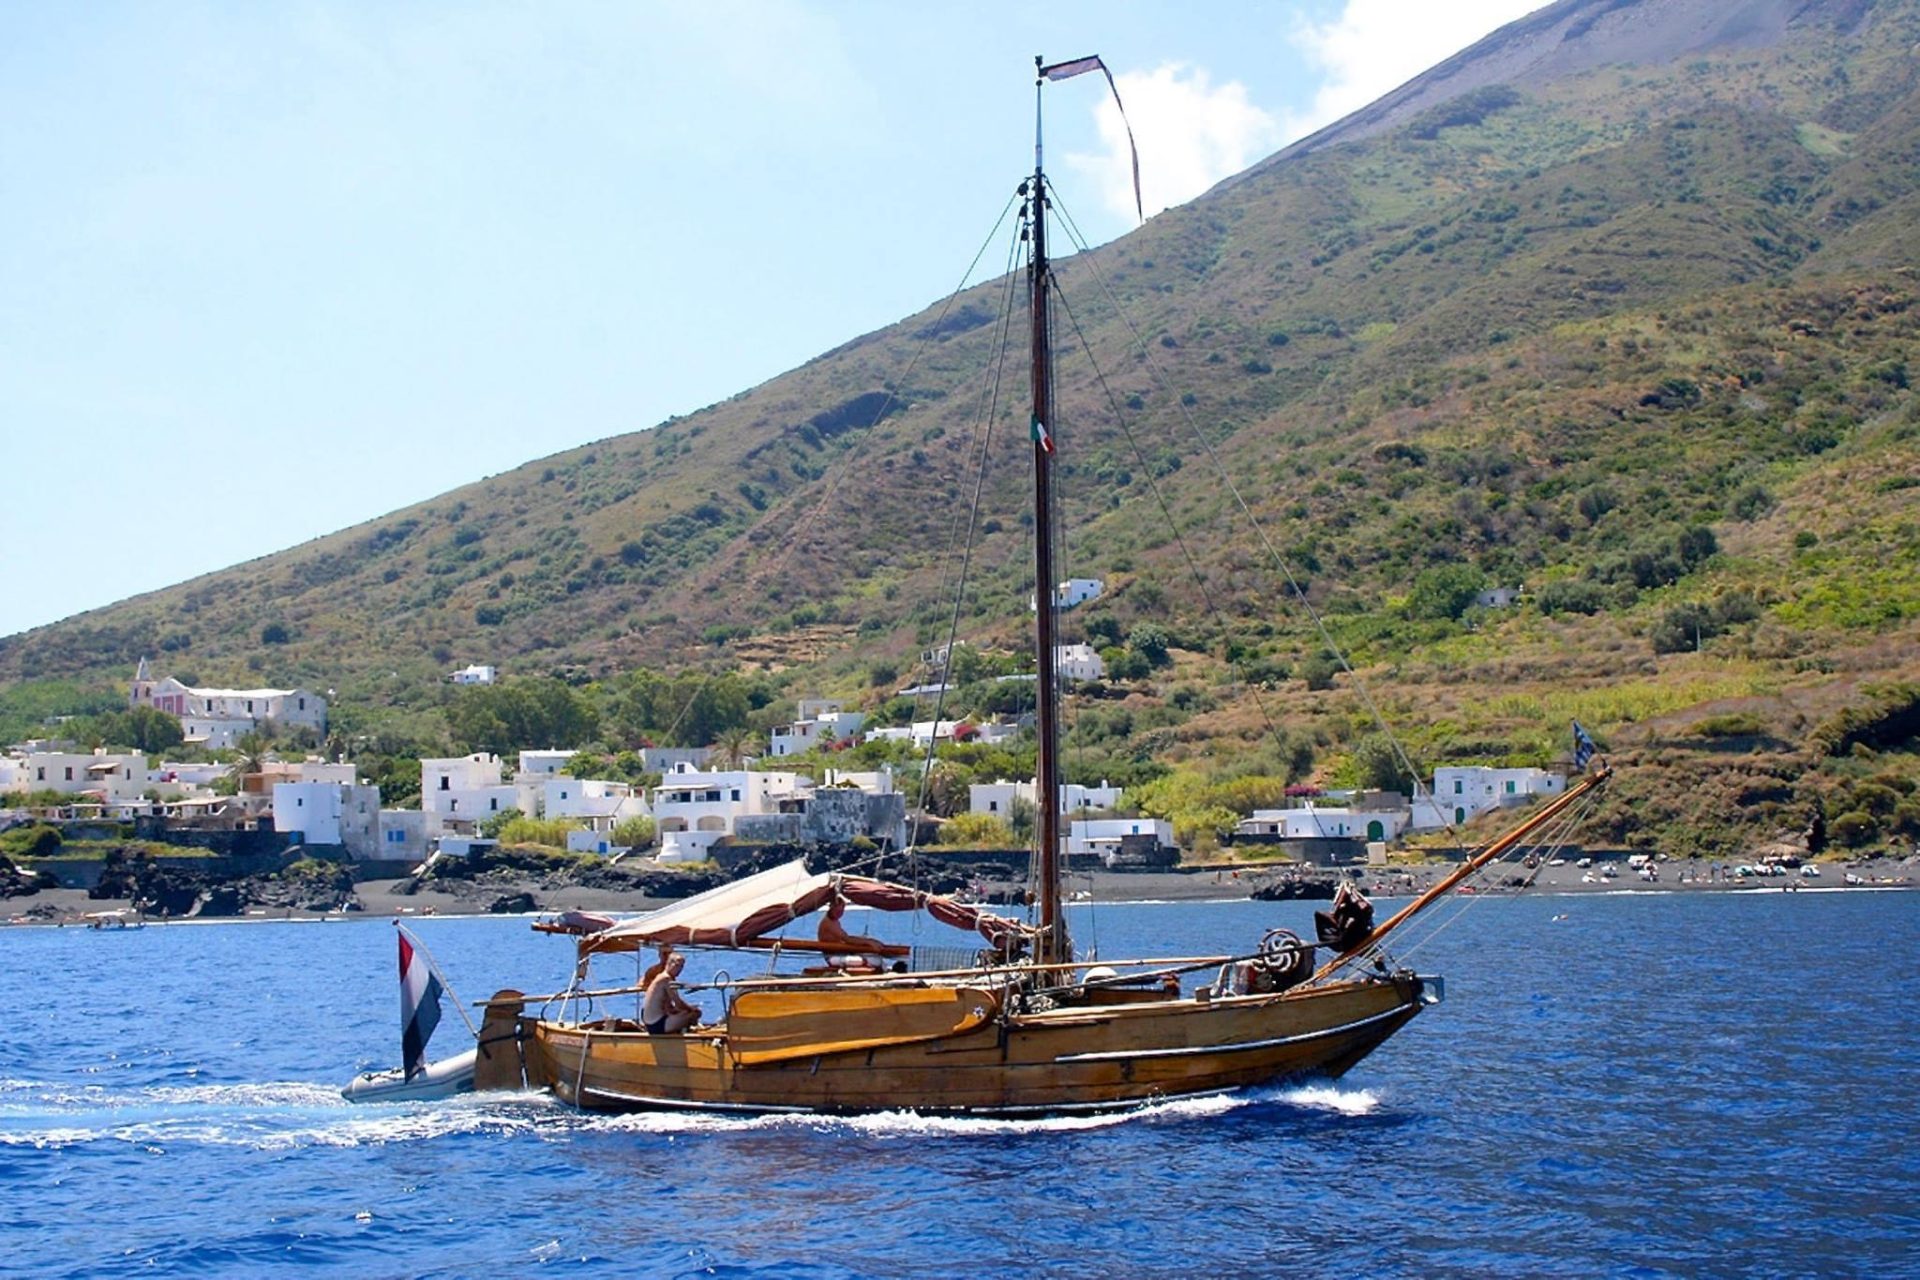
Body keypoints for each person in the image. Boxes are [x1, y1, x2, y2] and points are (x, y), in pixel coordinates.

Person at [641, 954, 700, 1035]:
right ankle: (684, 1034)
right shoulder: (666, 979)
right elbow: (678, 1004)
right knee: (694, 1014)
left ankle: (681, 1029)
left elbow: (668, 1006)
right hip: (657, 1024)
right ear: (669, 963)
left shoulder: (661, 977)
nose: (679, 969)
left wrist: (679, 1011)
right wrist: (692, 1009)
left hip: (651, 1023)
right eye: (677, 965)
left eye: (682, 966)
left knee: (684, 1013)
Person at [816, 894, 884, 954]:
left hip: (839, 953)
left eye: (841, 911)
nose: (840, 914)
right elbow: (847, 939)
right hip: (832, 956)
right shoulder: (828, 923)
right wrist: (869, 942)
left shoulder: (834, 921)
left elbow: (846, 938)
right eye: (838, 911)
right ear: (831, 908)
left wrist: (869, 941)